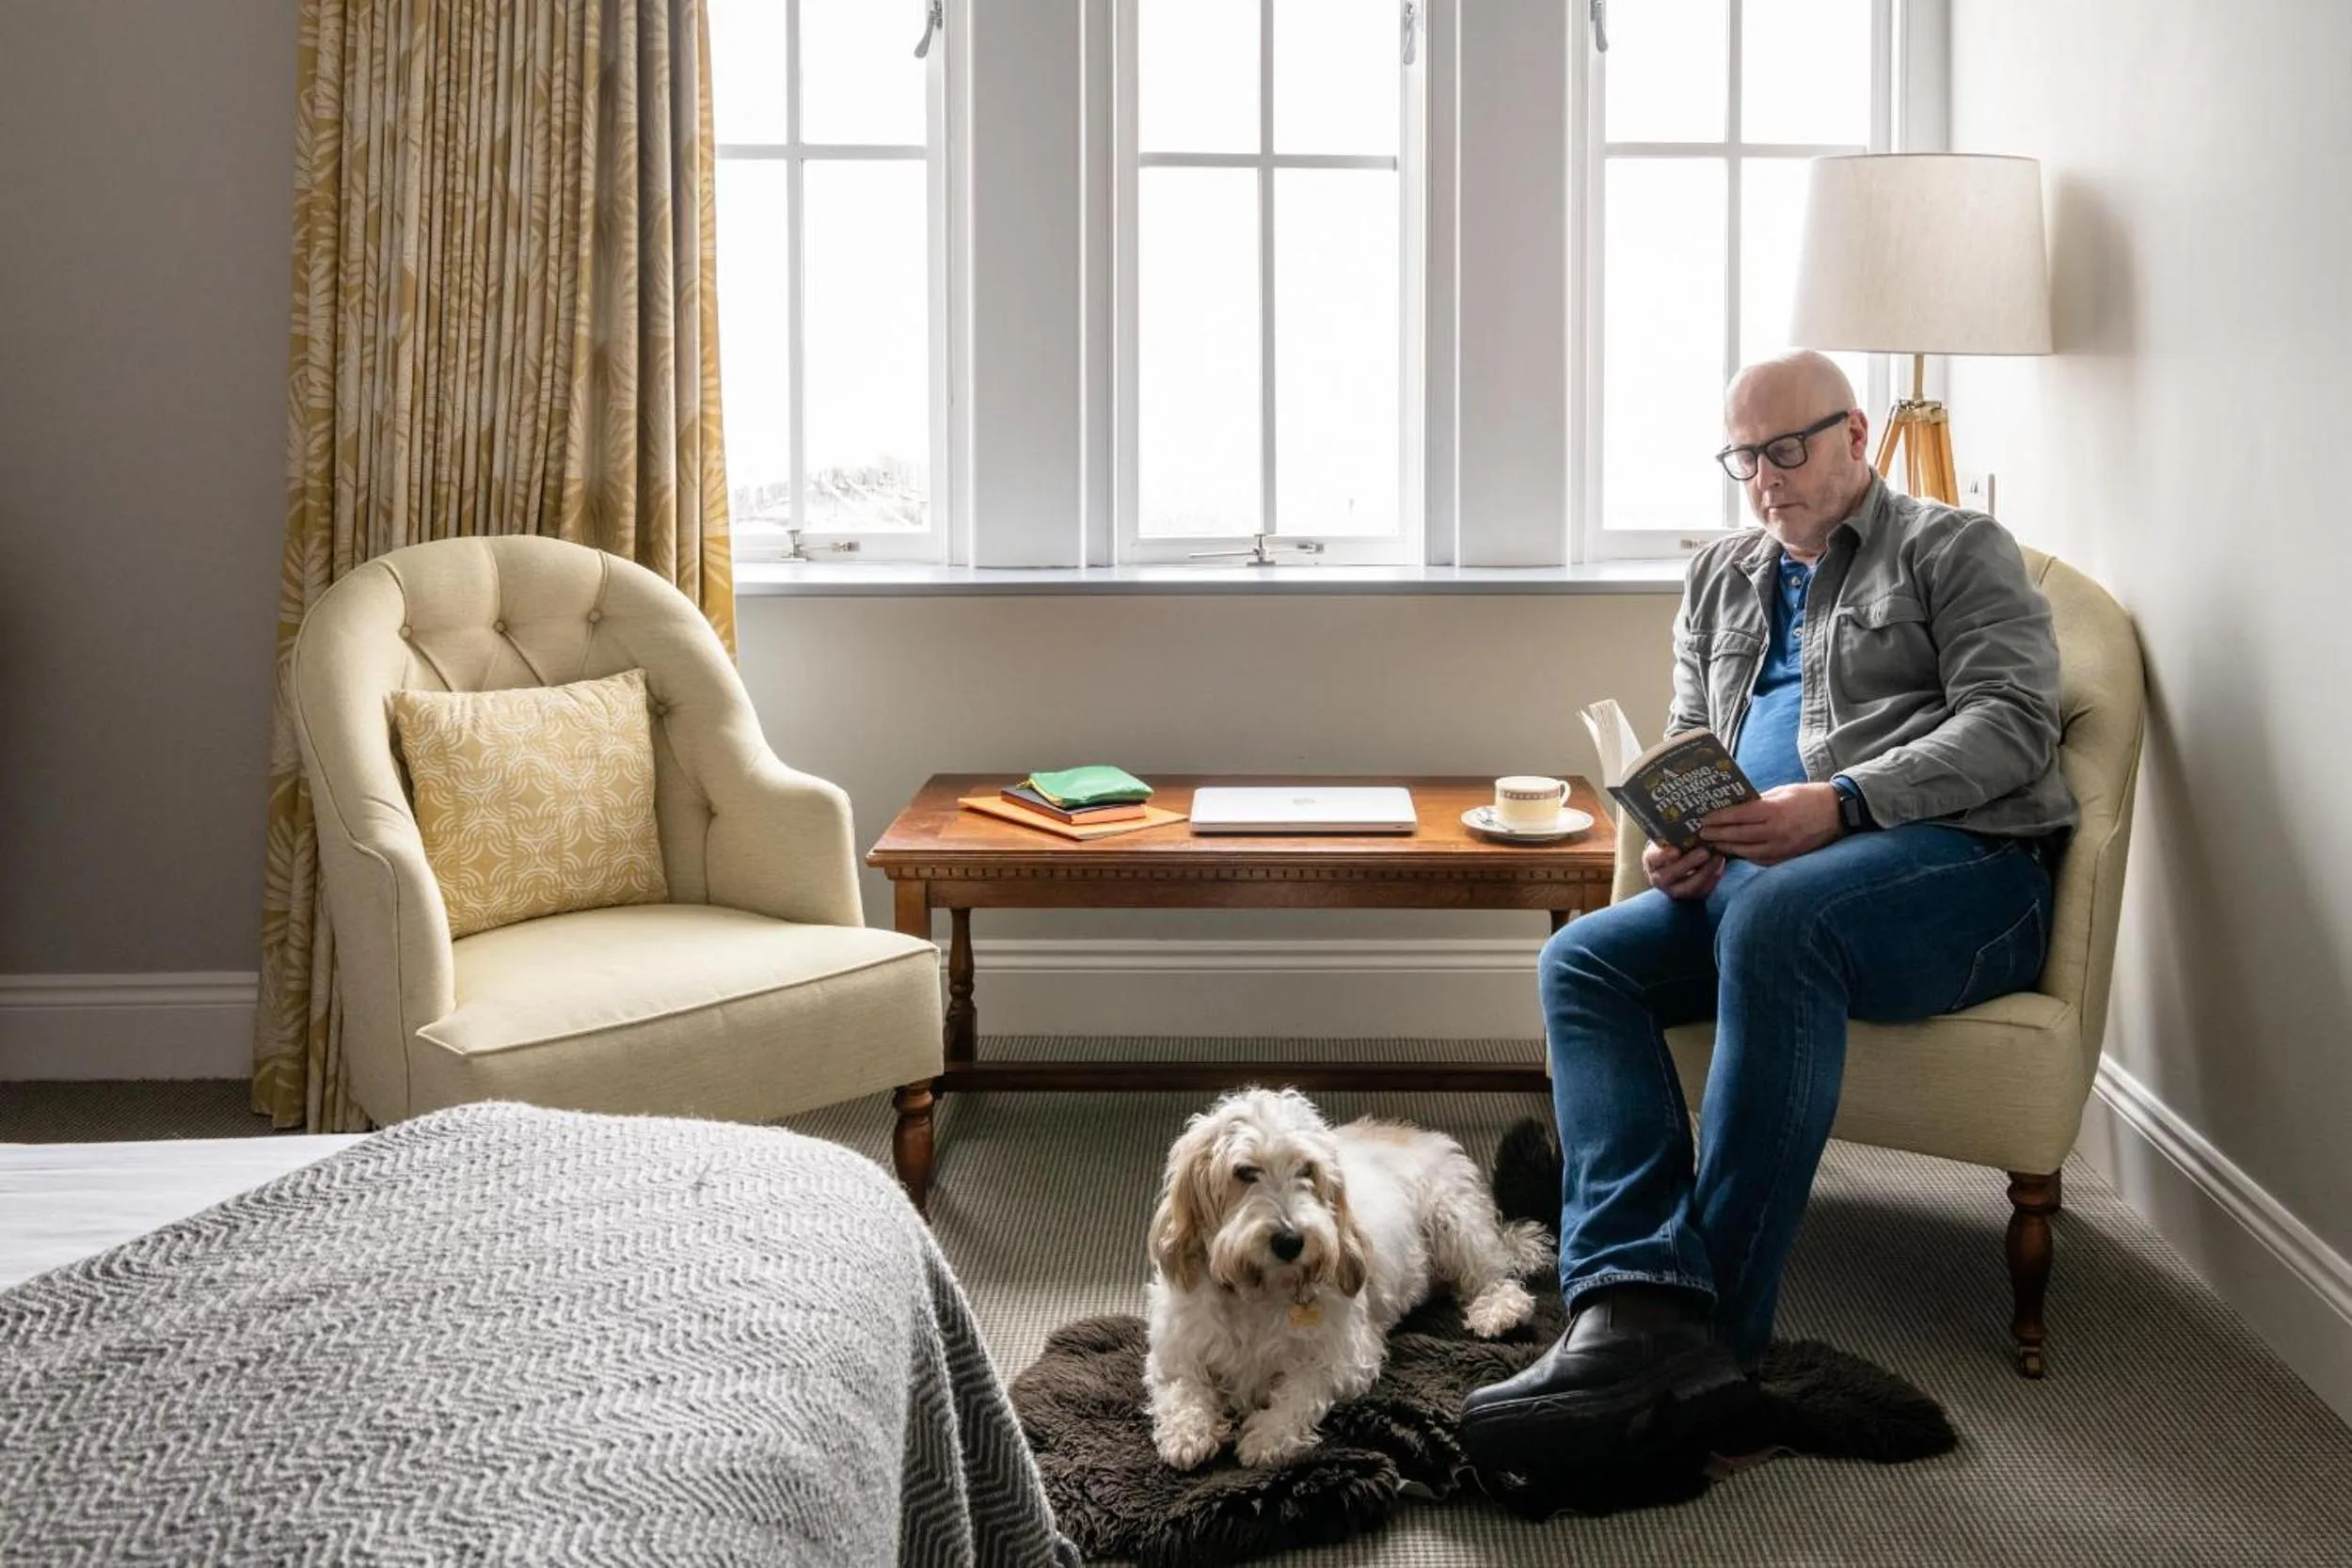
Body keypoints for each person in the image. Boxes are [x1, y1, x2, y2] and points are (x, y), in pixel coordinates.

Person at [1461, 350, 2078, 1475]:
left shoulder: (1953, 548)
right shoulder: (1719, 574)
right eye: (1743, 457)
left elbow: (2013, 723)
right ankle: (1628, 1297)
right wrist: (1680, 837)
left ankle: (1714, 1343)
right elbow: (1689, 731)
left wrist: (1840, 802)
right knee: (1585, 961)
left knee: (1777, 918)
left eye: (1786, 449)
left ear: (1856, 433)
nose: (1764, 479)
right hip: (1761, 879)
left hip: (1961, 878)